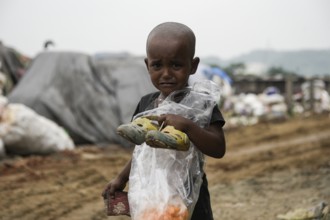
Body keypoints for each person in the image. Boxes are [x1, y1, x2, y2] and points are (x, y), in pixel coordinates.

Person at [102, 21, 226, 220]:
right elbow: (141, 152)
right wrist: (121, 178)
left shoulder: (200, 105)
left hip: (189, 196)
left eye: (176, 65)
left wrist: (187, 126)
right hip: (151, 192)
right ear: (147, 65)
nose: (166, 73)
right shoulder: (146, 104)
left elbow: (219, 148)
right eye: (157, 65)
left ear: (193, 65)